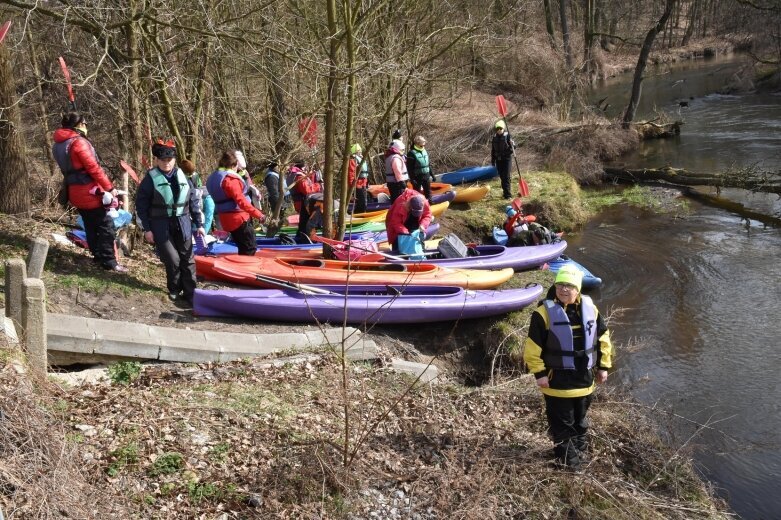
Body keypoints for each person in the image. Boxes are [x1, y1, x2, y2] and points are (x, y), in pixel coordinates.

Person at [521, 265, 613, 470]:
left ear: (578, 289)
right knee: (563, 425)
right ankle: (570, 467)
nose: (564, 289)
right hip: (556, 382)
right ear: (555, 286)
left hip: (584, 380)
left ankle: (579, 455)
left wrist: (603, 366)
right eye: (560, 284)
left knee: (580, 421)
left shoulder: (591, 309)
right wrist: (540, 374)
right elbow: (532, 348)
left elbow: (603, 338)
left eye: (569, 286)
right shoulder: (543, 313)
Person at [52, 112, 127, 272]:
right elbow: (94, 168)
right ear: (78, 125)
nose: (86, 126)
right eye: (85, 123)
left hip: (74, 192)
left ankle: (97, 256)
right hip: (89, 192)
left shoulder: (58, 145)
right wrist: (110, 188)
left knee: (90, 225)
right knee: (106, 226)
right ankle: (109, 261)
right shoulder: (78, 143)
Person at [136, 140, 204, 304]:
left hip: (183, 222)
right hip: (160, 224)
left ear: (174, 160)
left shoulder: (184, 177)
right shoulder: (150, 180)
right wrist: (147, 229)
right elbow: (141, 205)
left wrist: (199, 224)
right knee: (172, 259)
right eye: (163, 160)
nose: (166, 163)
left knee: (187, 258)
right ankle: (174, 288)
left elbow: (193, 202)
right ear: (157, 161)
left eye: (169, 160)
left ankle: (191, 293)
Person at [206, 150, 266, 255]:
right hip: (238, 220)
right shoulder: (230, 180)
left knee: (242, 247)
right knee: (250, 248)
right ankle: (247, 270)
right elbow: (241, 201)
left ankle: (242, 266)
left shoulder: (212, 177)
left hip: (225, 219)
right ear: (234, 164)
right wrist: (259, 215)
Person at [385, 188, 432, 253]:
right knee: (398, 247)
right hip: (400, 226)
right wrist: (406, 232)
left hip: (416, 224)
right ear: (409, 207)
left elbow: (427, 215)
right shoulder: (400, 204)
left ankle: (421, 254)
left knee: (420, 240)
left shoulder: (424, 201)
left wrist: (423, 225)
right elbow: (395, 222)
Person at [180, 159, 214, 235]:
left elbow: (198, 190)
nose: (191, 175)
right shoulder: (180, 177)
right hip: (191, 199)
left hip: (201, 198)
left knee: (203, 218)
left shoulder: (195, 175)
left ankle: (203, 234)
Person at [407, 135, 435, 202]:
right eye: (423, 141)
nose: (424, 142)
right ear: (418, 143)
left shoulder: (424, 150)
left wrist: (432, 175)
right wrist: (412, 179)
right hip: (417, 177)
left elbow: (428, 164)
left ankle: (430, 203)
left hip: (426, 175)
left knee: (428, 191)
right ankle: (417, 205)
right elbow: (409, 168)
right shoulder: (411, 153)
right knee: (417, 193)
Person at [491, 120, 515, 199]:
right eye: (497, 129)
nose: (499, 130)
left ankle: (508, 195)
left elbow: (514, 147)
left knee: (506, 176)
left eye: (500, 129)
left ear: (503, 128)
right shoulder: (494, 137)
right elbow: (493, 150)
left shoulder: (508, 136)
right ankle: (505, 193)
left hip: (507, 159)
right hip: (498, 160)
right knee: (502, 177)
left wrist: (512, 145)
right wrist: (493, 160)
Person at [384, 139, 409, 203]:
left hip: (392, 183)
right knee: (400, 201)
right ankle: (399, 213)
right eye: (402, 150)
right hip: (397, 184)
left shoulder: (389, 157)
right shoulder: (395, 158)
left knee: (395, 201)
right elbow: (397, 172)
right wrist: (402, 183)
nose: (403, 151)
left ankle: (395, 211)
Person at [348, 144, 369, 214]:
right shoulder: (353, 160)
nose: (360, 152)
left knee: (364, 202)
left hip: (363, 184)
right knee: (362, 202)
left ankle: (361, 213)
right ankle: (359, 214)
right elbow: (351, 174)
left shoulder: (361, 159)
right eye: (358, 151)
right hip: (357, 184)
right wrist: (352, 186)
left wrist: (366, 184)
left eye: (360, 151)